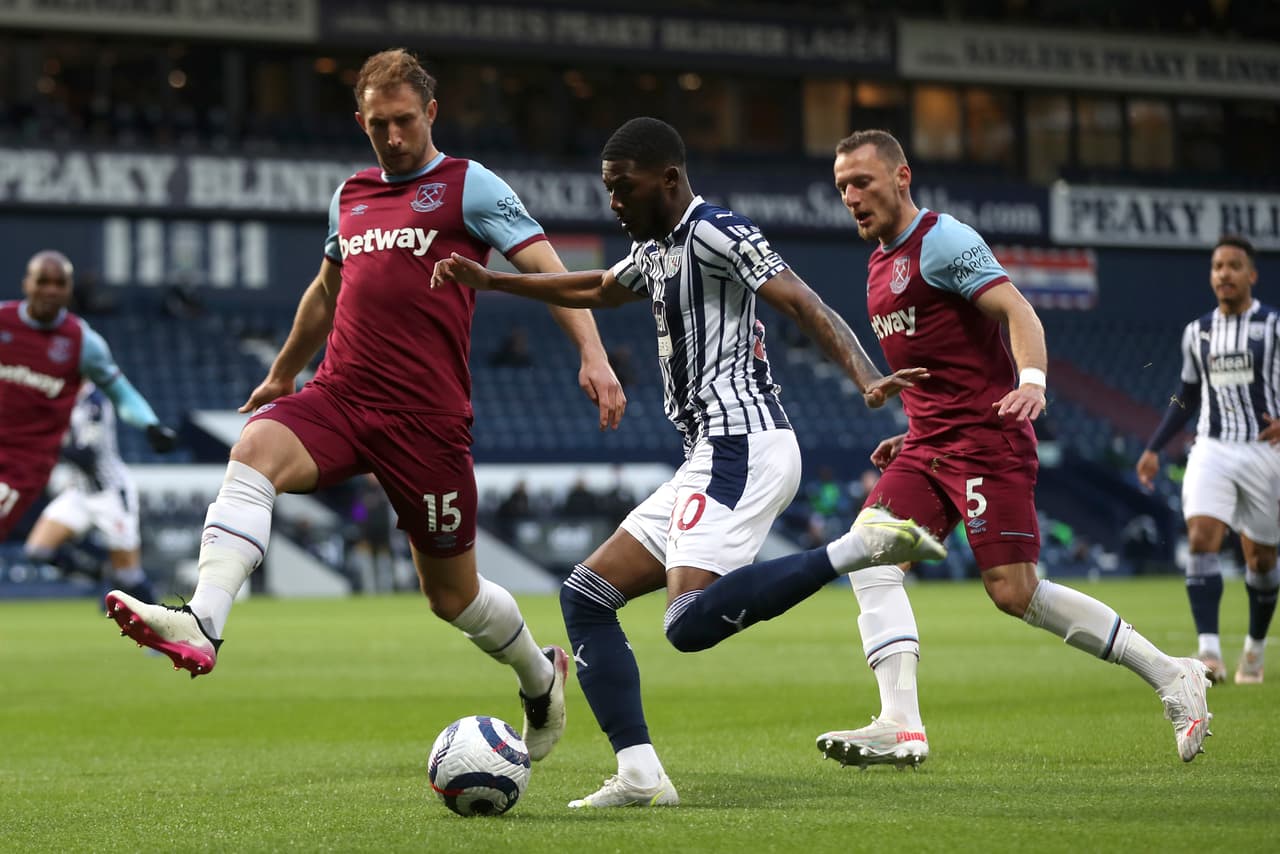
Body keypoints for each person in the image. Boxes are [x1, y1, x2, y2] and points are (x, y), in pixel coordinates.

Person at [104, 49, 626, 763]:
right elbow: (325, 292)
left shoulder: (469, 186)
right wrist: (286, 372)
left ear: (431, 113)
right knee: (253, 448)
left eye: (405, 120)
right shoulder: (349, 195)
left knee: (451, 597)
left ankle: (540, 678)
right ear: (361, 121)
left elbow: (547, 270)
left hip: (427, 423)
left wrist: (592, 355)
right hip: (342, 395)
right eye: (378, 124)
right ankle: (204, 621)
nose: (393, 136)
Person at [433, 116, 946, 808]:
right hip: (707, 453)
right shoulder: (654, 249)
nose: (612, 202)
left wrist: (865, 377)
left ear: (667, 180)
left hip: (744, 442)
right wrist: (493, 284)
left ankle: (855, 549)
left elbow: (801, 300)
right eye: (607, 189)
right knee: (586, 598)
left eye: (622, 188)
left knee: (686, 622)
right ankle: (642, 775)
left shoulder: (715, 230)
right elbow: (597, 289)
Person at [813, 128, 1213, 768]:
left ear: (901, 177)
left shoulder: (943, 240)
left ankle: (1171, 674)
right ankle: (900, 725)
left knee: (1013, 592)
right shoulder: (878, 266)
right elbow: (940, 371)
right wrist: (912, 430)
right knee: (869, 555)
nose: (851, 197)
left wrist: (1032, 382)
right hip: (930, 444)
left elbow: (1019, 312)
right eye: (842, 188)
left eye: (862, 182)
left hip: (986, 441)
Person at [1136, 235, 1279, 685]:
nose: (1224, 274)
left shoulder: (1274, 327)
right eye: (1218, 266)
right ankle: (1210, 653)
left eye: (1234, 265)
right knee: (1201, 536)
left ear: (1251, 275)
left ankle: (1254, 648)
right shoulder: (1196, 333)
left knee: (1260, 560)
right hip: (1212, 446)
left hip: (1264, 450)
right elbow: (1187, 396)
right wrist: (1154, 447)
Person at [1, 250, 177, 543]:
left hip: (22, 466)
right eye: (43, 281)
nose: (50, 290)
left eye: (60, 283)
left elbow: (121, 393)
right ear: (26, 284)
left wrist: (150, 424)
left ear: (69, 290)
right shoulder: (3, 321)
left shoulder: (82, 342)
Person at [24, 382, 160, 602]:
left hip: (110, 493)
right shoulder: (59, 400)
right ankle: (102, 573)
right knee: (38, 549)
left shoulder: (94, 404)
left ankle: (164, 621)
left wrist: (45, 442)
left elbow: (86, 456)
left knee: (129, 575)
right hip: (78, 493)